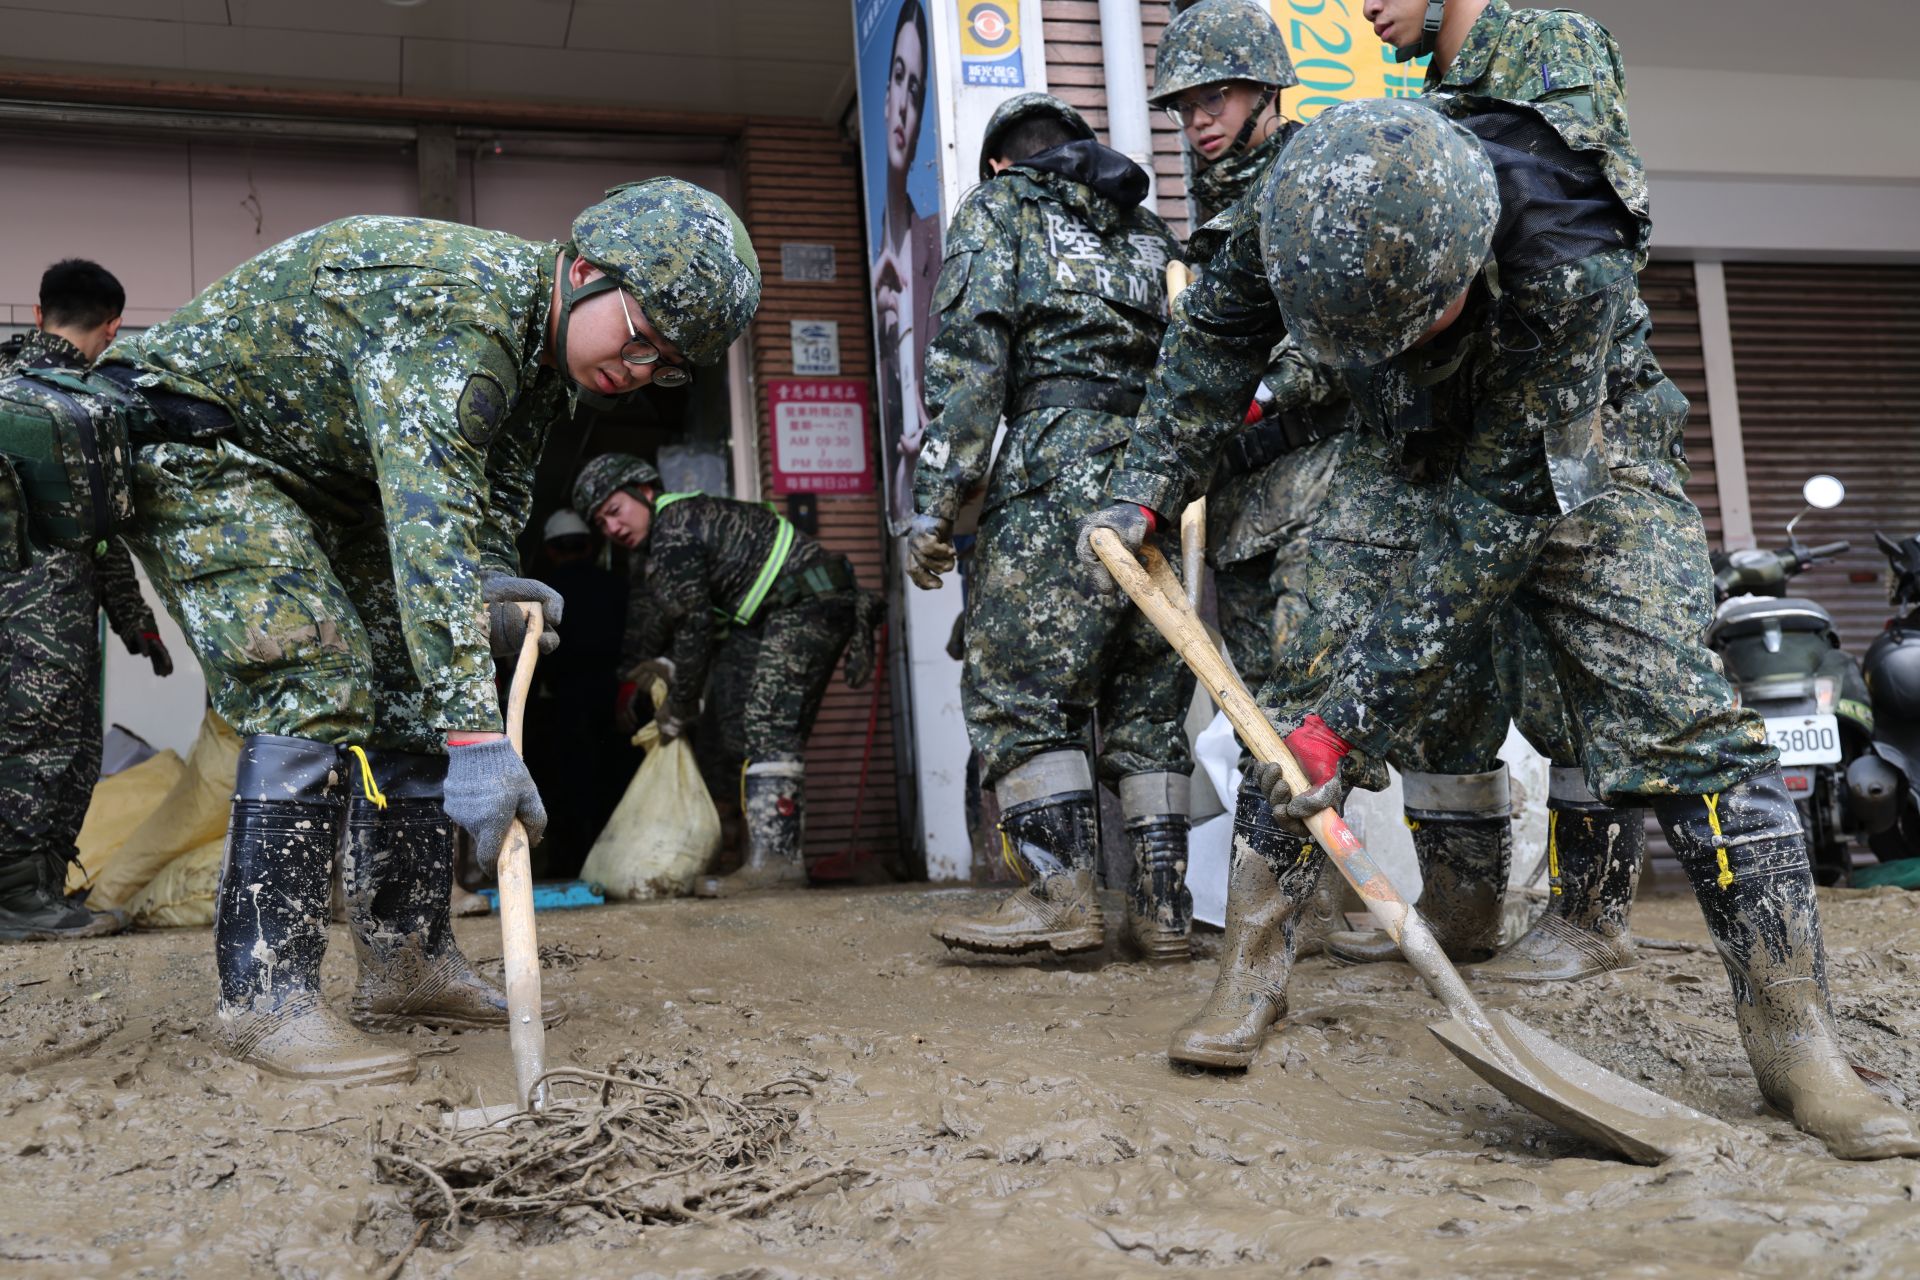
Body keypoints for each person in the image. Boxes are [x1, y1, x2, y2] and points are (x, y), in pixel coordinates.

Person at [1078, 93, 1920, 1159]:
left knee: (1682, 720)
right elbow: (1209, 351)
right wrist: (1146, 485)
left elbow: (1491, 529)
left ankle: (1801, 1045)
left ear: (1468, 266)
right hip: (1396, 447)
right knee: (1298, 687)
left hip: (1575, 456)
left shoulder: (1566, 260)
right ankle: (1251, 966)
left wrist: (1359, 718)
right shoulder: (1294, 217)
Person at [96, 179, 761, 1084]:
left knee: (410, 686)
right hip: (202, 444)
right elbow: (429, 530)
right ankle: (264, 1000)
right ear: (583, 267)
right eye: (639, 338)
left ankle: (405, 964)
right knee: (315, 670)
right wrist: (478, 736)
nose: (639, 370)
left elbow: (481, 516)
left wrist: (491, 593)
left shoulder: (547, 361)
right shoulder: (460, 310)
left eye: (667, 365)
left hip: (324, 483)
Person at [904, 94, 1191, 960]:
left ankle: (1061, 897)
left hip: (1053, 480)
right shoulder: (1150, 234)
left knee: (1020, 691)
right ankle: (1165, 913)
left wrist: (938, 497)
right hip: (1153, 486)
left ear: (1000, 165)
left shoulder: (1003, 210)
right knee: (1147, 702)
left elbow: (971, 354)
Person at [573, 453, 878, 898]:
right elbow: (657, 617)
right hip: (765, 617)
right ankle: (732, 855)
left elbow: (692, 625)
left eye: (615, 511)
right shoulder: (656, 549)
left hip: (811, 601)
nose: (613, 529)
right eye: (601, 524)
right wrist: (640, 675)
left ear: (646, 492)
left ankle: (777, 863)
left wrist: (677, 705)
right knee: (722, 731)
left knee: (768, 724)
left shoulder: (673, 528)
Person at [0, 259, 171, 943]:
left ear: (38, 314)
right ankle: (18, 900)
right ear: (111, 327)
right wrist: (138, 624)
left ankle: (39, 893)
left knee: (57, 751)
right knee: (44, 752)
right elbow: (104, 537)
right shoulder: (90, 407)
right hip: (47, 620)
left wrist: (134, 626)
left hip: (51, 618)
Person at [525, 507, 634, 877]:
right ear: (589, 546)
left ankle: (568, 867)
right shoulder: (618, 585)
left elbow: (532, 657)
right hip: (614, 701)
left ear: (551, 550)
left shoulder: (543, 596)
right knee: (613, 782)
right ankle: (613, 864)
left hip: (564, 706)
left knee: (567, 788)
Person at [874, 0, 943, 534]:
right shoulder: (881, 254)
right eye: (897, 79)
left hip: (944, 500)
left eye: (915, 91)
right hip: (906, 504)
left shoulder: (934, 241)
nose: (902, 105)